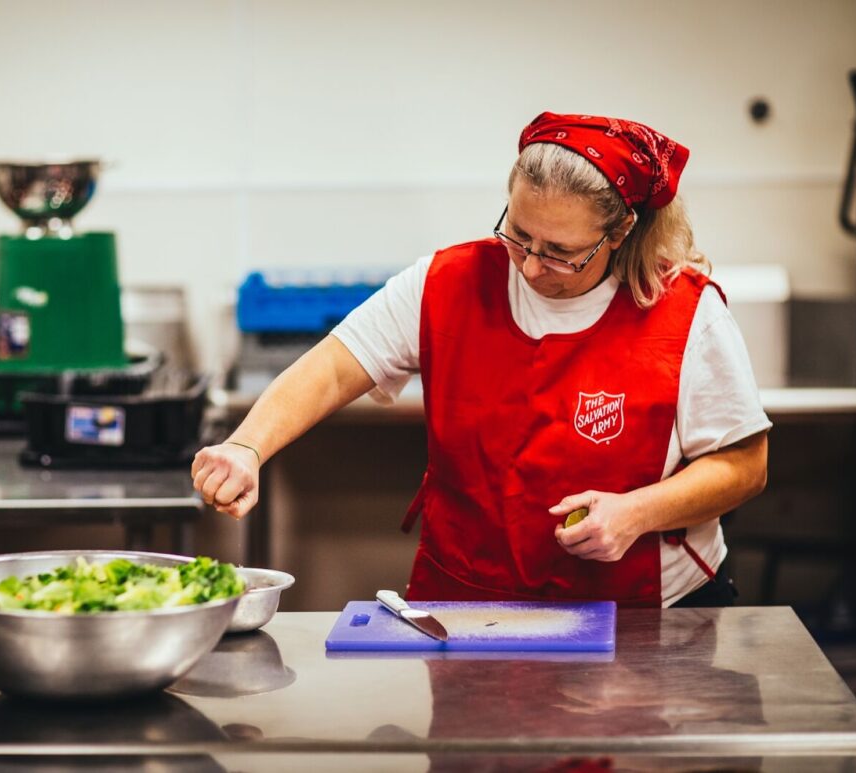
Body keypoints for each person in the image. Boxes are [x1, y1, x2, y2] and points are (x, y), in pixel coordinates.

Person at [192, 111, 770, 607]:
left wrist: (639, 512)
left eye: (562, 253)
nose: (532, 266)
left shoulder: (684, 314)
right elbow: (335, 366)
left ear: (621, 232)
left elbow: (745, 466)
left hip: (646, 614)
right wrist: (248, 447)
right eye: (518, 235)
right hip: (469, 611)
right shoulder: (449, 283)